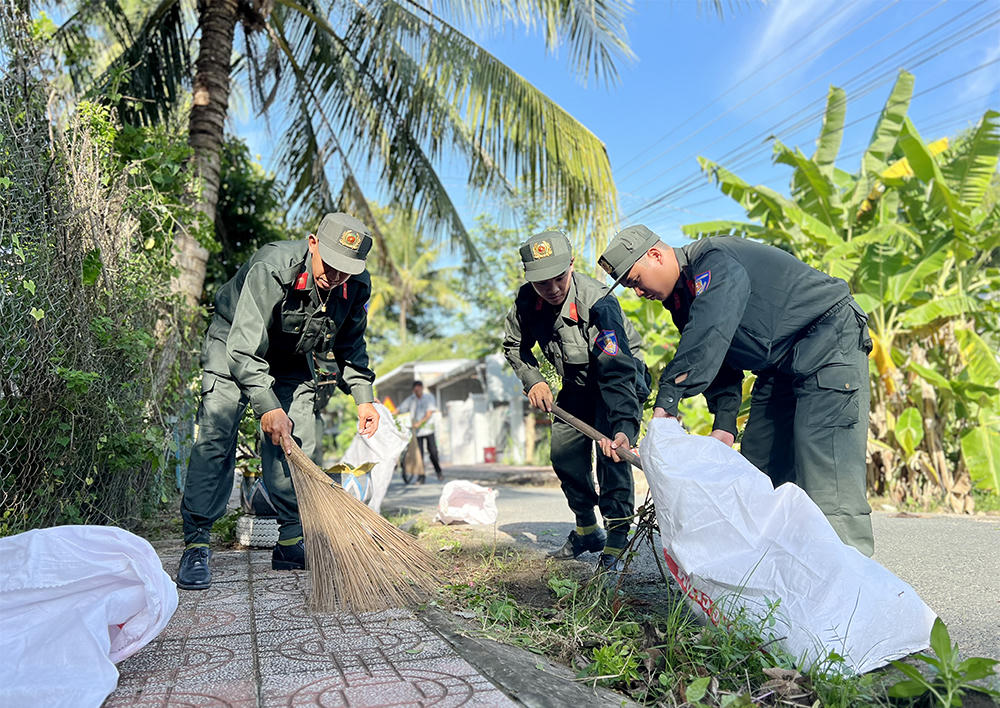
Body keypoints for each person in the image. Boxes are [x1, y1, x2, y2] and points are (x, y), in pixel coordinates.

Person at [598, 225, 875, 556]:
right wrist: (724, 424)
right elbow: (723, 362)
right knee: (759, 469)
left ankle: (851, 587)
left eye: (635, 281)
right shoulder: (680, 301)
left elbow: (710, 330)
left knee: (826, 473)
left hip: (828, 340)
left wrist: (668, 402)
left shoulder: (713, 260)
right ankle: (779, 575)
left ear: (655, 255)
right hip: (780, 365)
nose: (638, 293)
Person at [176, 213, 381, 590]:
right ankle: (197, 544)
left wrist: (363, 397)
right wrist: (268, 406)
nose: (336, 278)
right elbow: (244, 349)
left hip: (290, 359)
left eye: (346, 271)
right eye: (332, 266)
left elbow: (351, 344)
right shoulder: (272, 267)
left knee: (296, 441)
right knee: (216, 439)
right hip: (233, 347)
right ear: (313, 243)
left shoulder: (355, 285)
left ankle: (290, 542)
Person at [503, 231, 649, 574]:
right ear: (529, 279)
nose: (552, 288)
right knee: (563, 453)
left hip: (620, 378)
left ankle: (617, 533)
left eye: (558, 278)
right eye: (542, 283)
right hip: (578, 385)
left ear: (571, 265)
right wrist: (534, 380)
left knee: (611, 453)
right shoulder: (527, 302)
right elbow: (514, 347)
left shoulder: (599, 303)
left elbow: (616, 371)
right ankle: (587, 531)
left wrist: (624, 426)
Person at [397, 380, 443, 483]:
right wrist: (390, 414)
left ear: (422, 388)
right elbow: (400, 408)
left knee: (433, 452)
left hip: (428, 430)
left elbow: (429, 413)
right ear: (413, 390)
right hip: (417, 432)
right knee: (419, 455)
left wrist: (419, 423)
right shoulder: (411, 399)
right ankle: (421, 477)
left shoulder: (429, 398)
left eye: (419, 389)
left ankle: (438, 471)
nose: (417, 392)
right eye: (415, 390)